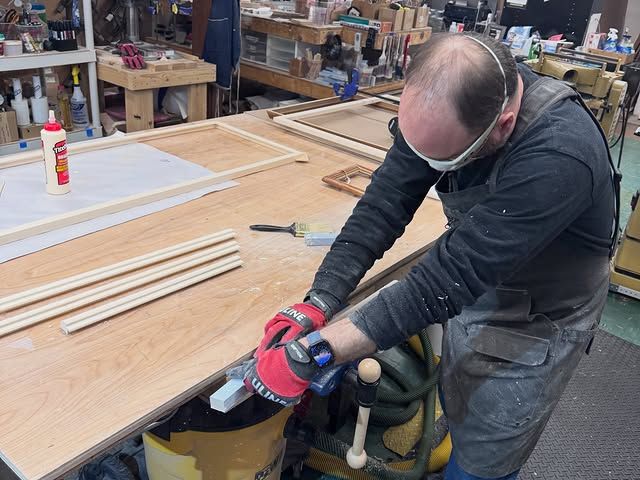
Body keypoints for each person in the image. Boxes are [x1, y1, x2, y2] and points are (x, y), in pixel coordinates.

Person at [243, 33, 619, 480]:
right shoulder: (445, 105)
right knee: (457, 400)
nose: (427, 167)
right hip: (477, 287)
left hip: (537, 324)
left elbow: (444, 280)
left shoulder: (561, 154)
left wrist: (313, 353)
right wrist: (318, 302)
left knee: (484, 454)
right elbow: (385, 203)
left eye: (446, 161)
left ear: (503, 124)